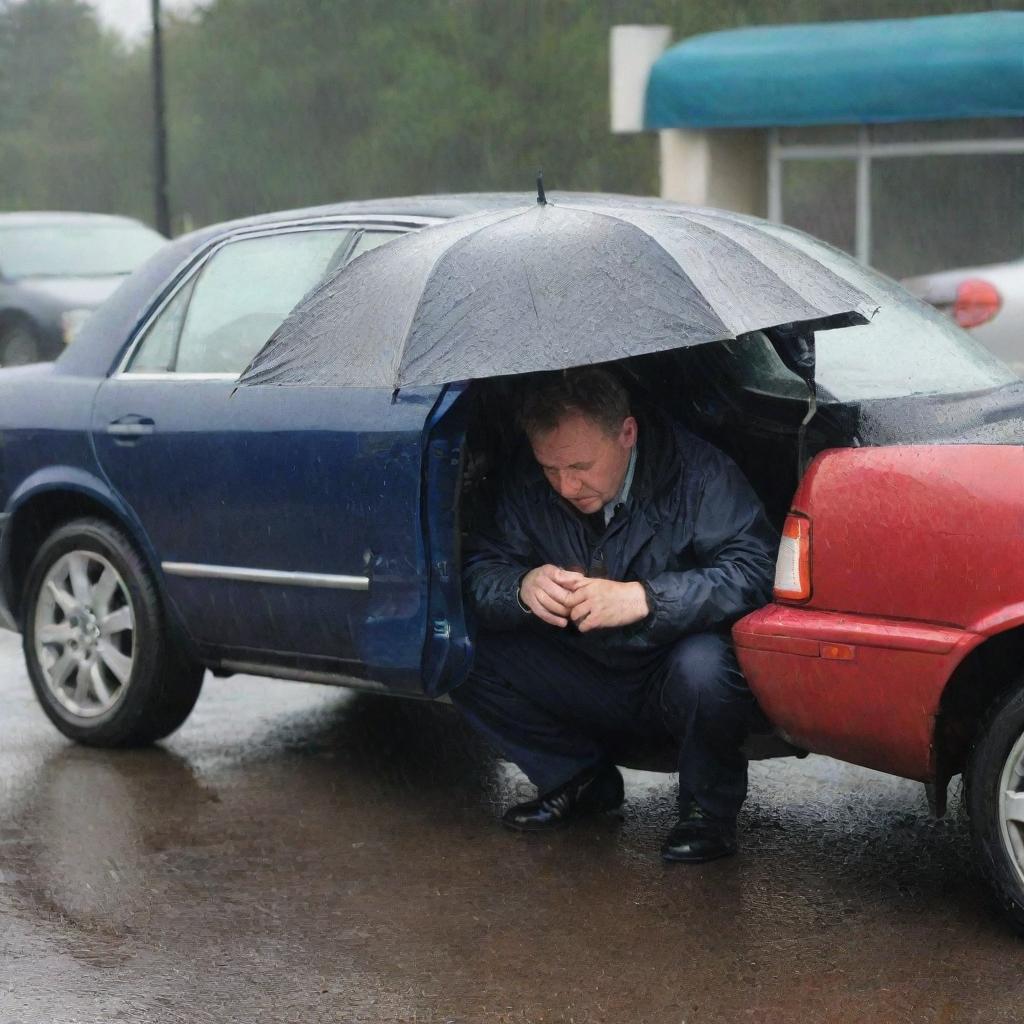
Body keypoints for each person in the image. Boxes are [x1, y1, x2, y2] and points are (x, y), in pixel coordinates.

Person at [452, 366, 777, 862]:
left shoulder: (699, 473)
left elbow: (755, 567)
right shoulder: (526, 481)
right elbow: (480, 572)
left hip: (667, 668)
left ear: (627, 432)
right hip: (581, 664)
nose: (565, 486)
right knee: (456, 648)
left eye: (580, 466)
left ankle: (706, 814)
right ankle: (578, 778)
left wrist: (645, 598)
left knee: (706, 666)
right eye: (551, 469)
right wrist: (521, 587)